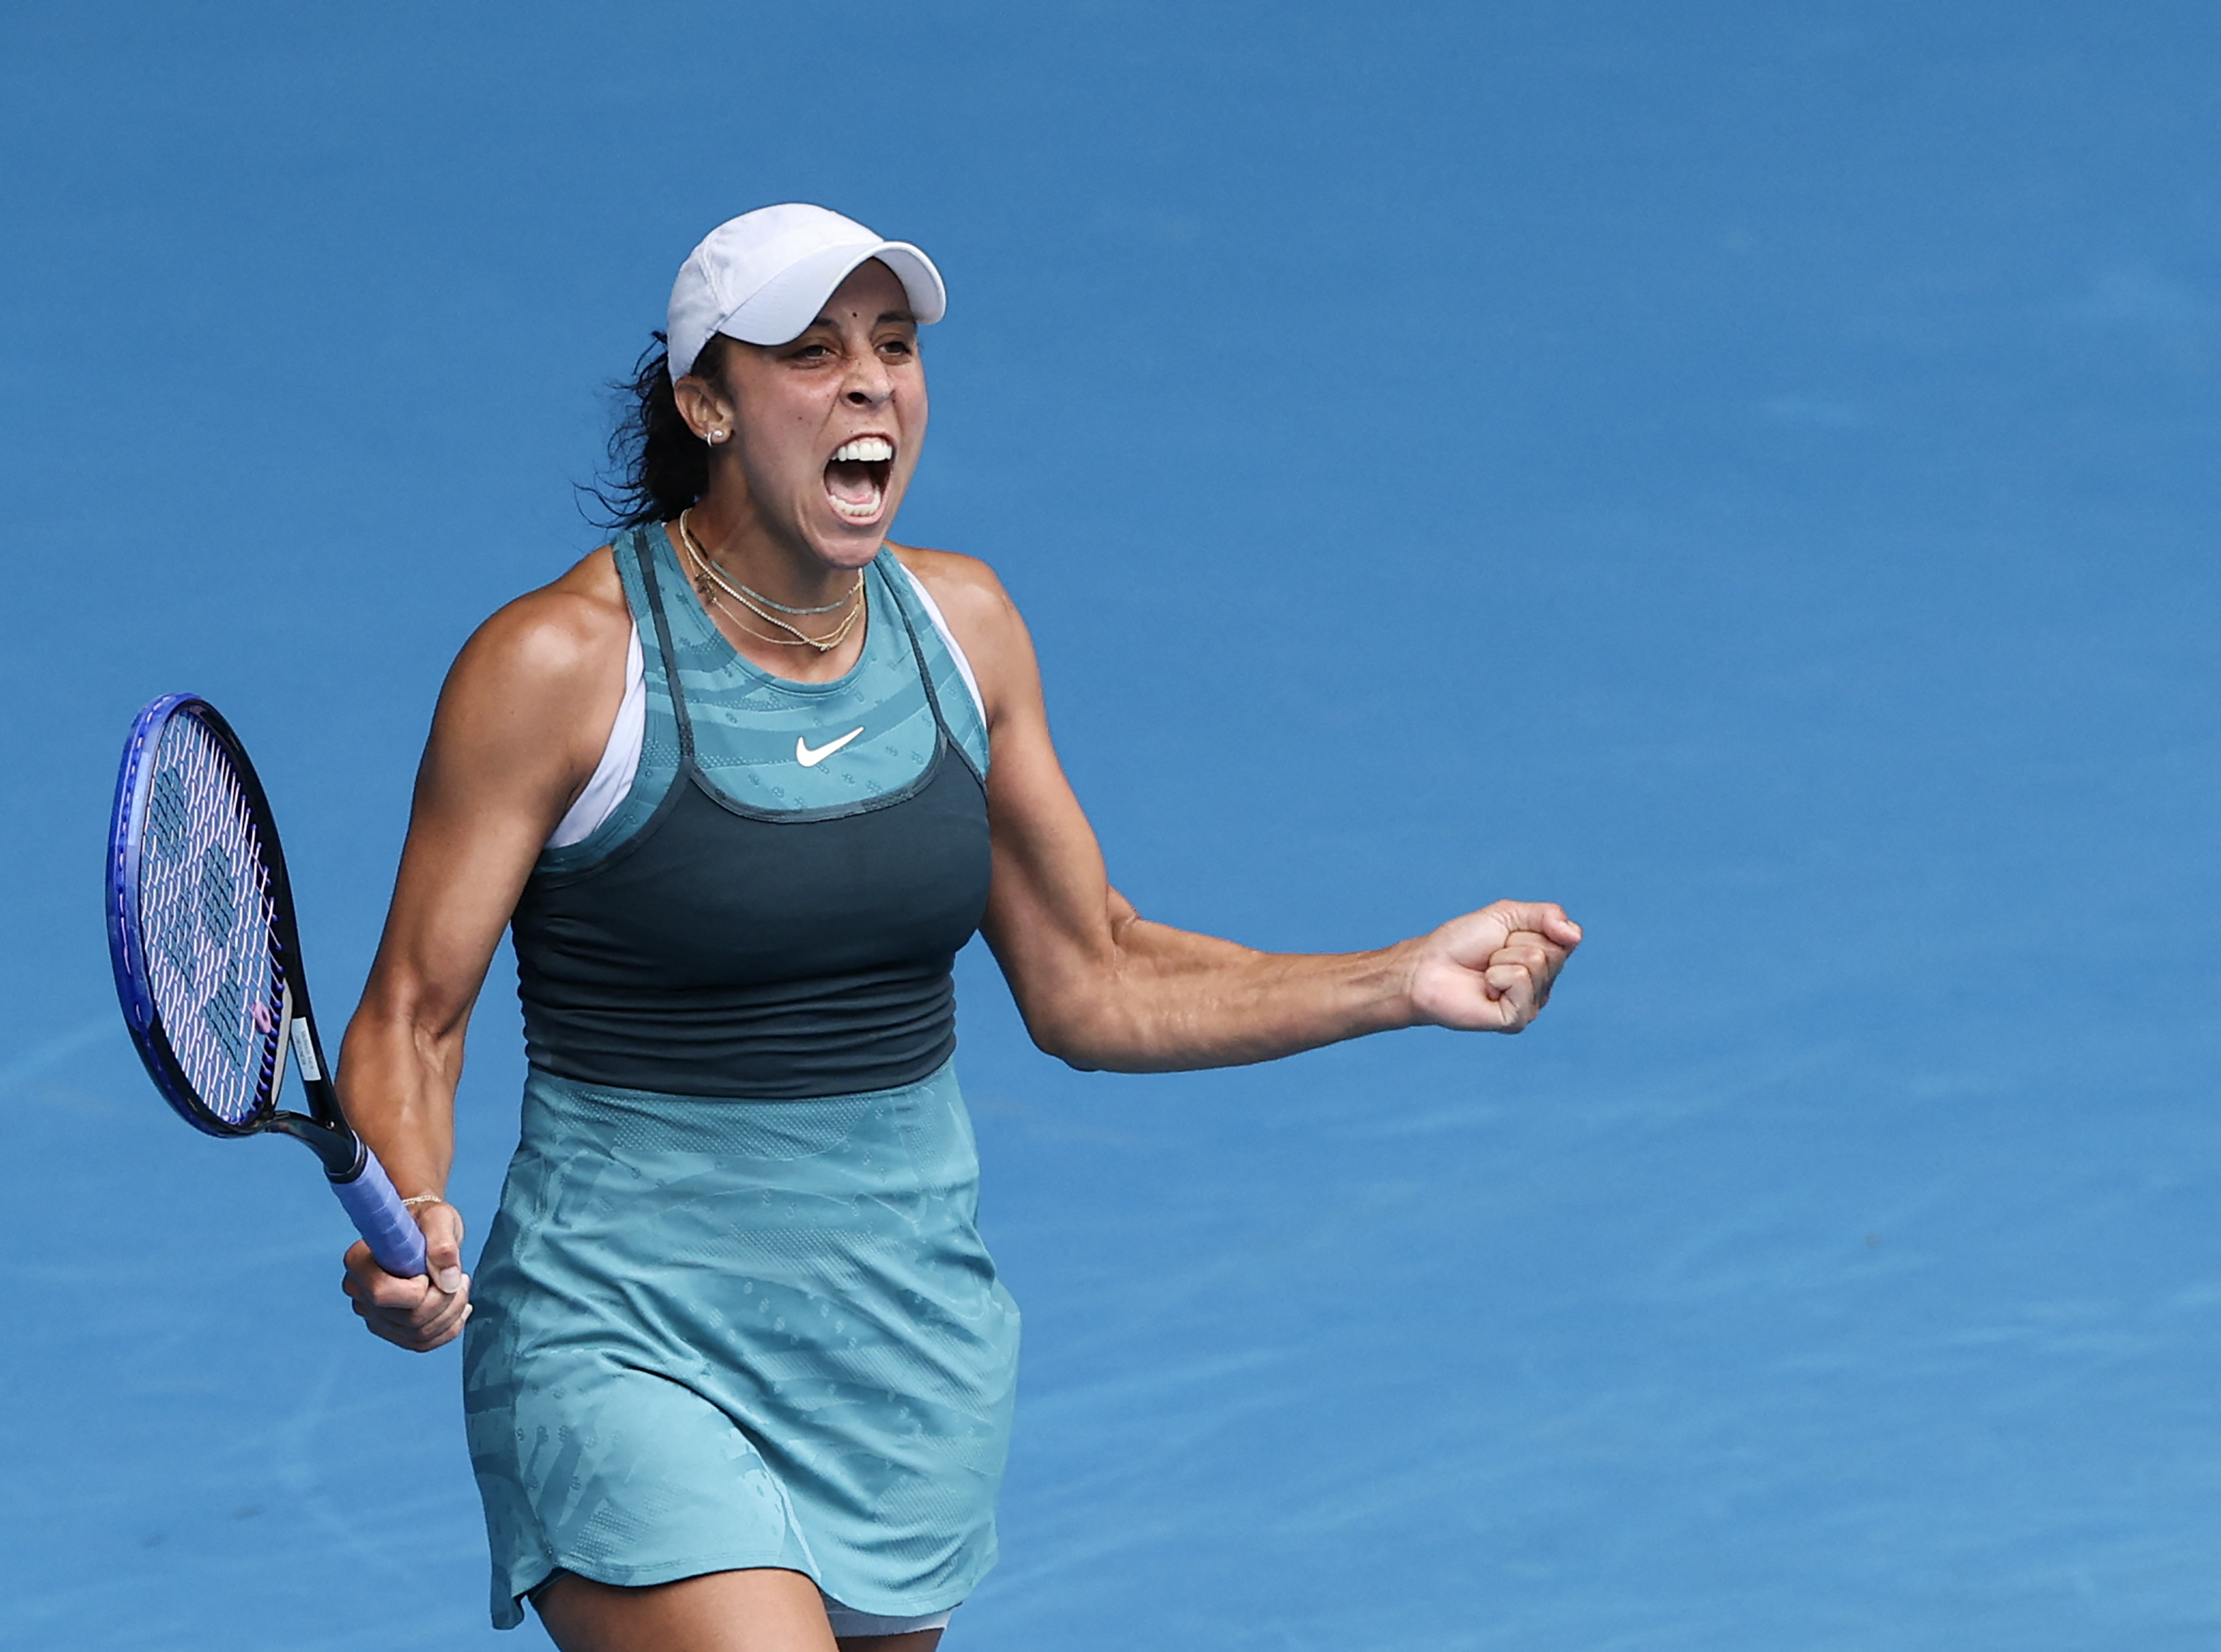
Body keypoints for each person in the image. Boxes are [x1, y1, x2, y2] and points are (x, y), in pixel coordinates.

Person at [335, 203, 1580, 1651]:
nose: (869, 383)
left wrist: (1394, 978)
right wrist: (410, 1204)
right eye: (810, 352)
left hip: (899, 1348)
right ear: (705, 402)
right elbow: (412, 1014)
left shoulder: (964, 633)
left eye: (895, 346)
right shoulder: (557, 666)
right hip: (628, 1338)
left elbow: (1091, 977)